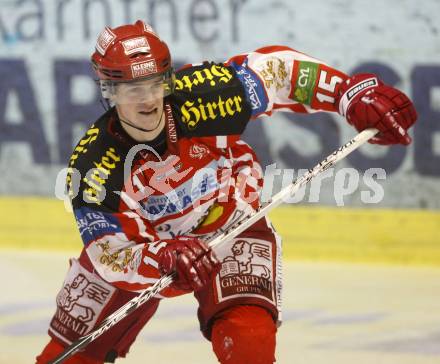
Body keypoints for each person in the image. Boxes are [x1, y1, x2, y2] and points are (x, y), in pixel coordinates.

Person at [36, 20, 417, 364]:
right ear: (109, 90)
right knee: (69, 353)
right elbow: (108, 254)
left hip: (228, 226)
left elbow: (277, 73)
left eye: (156, 84)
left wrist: (348, 94)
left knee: (249, 344)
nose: (149, 99)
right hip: (147, 247)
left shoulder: (205, 95)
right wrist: (162, 259)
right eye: (134, 88)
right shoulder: (92, 168)